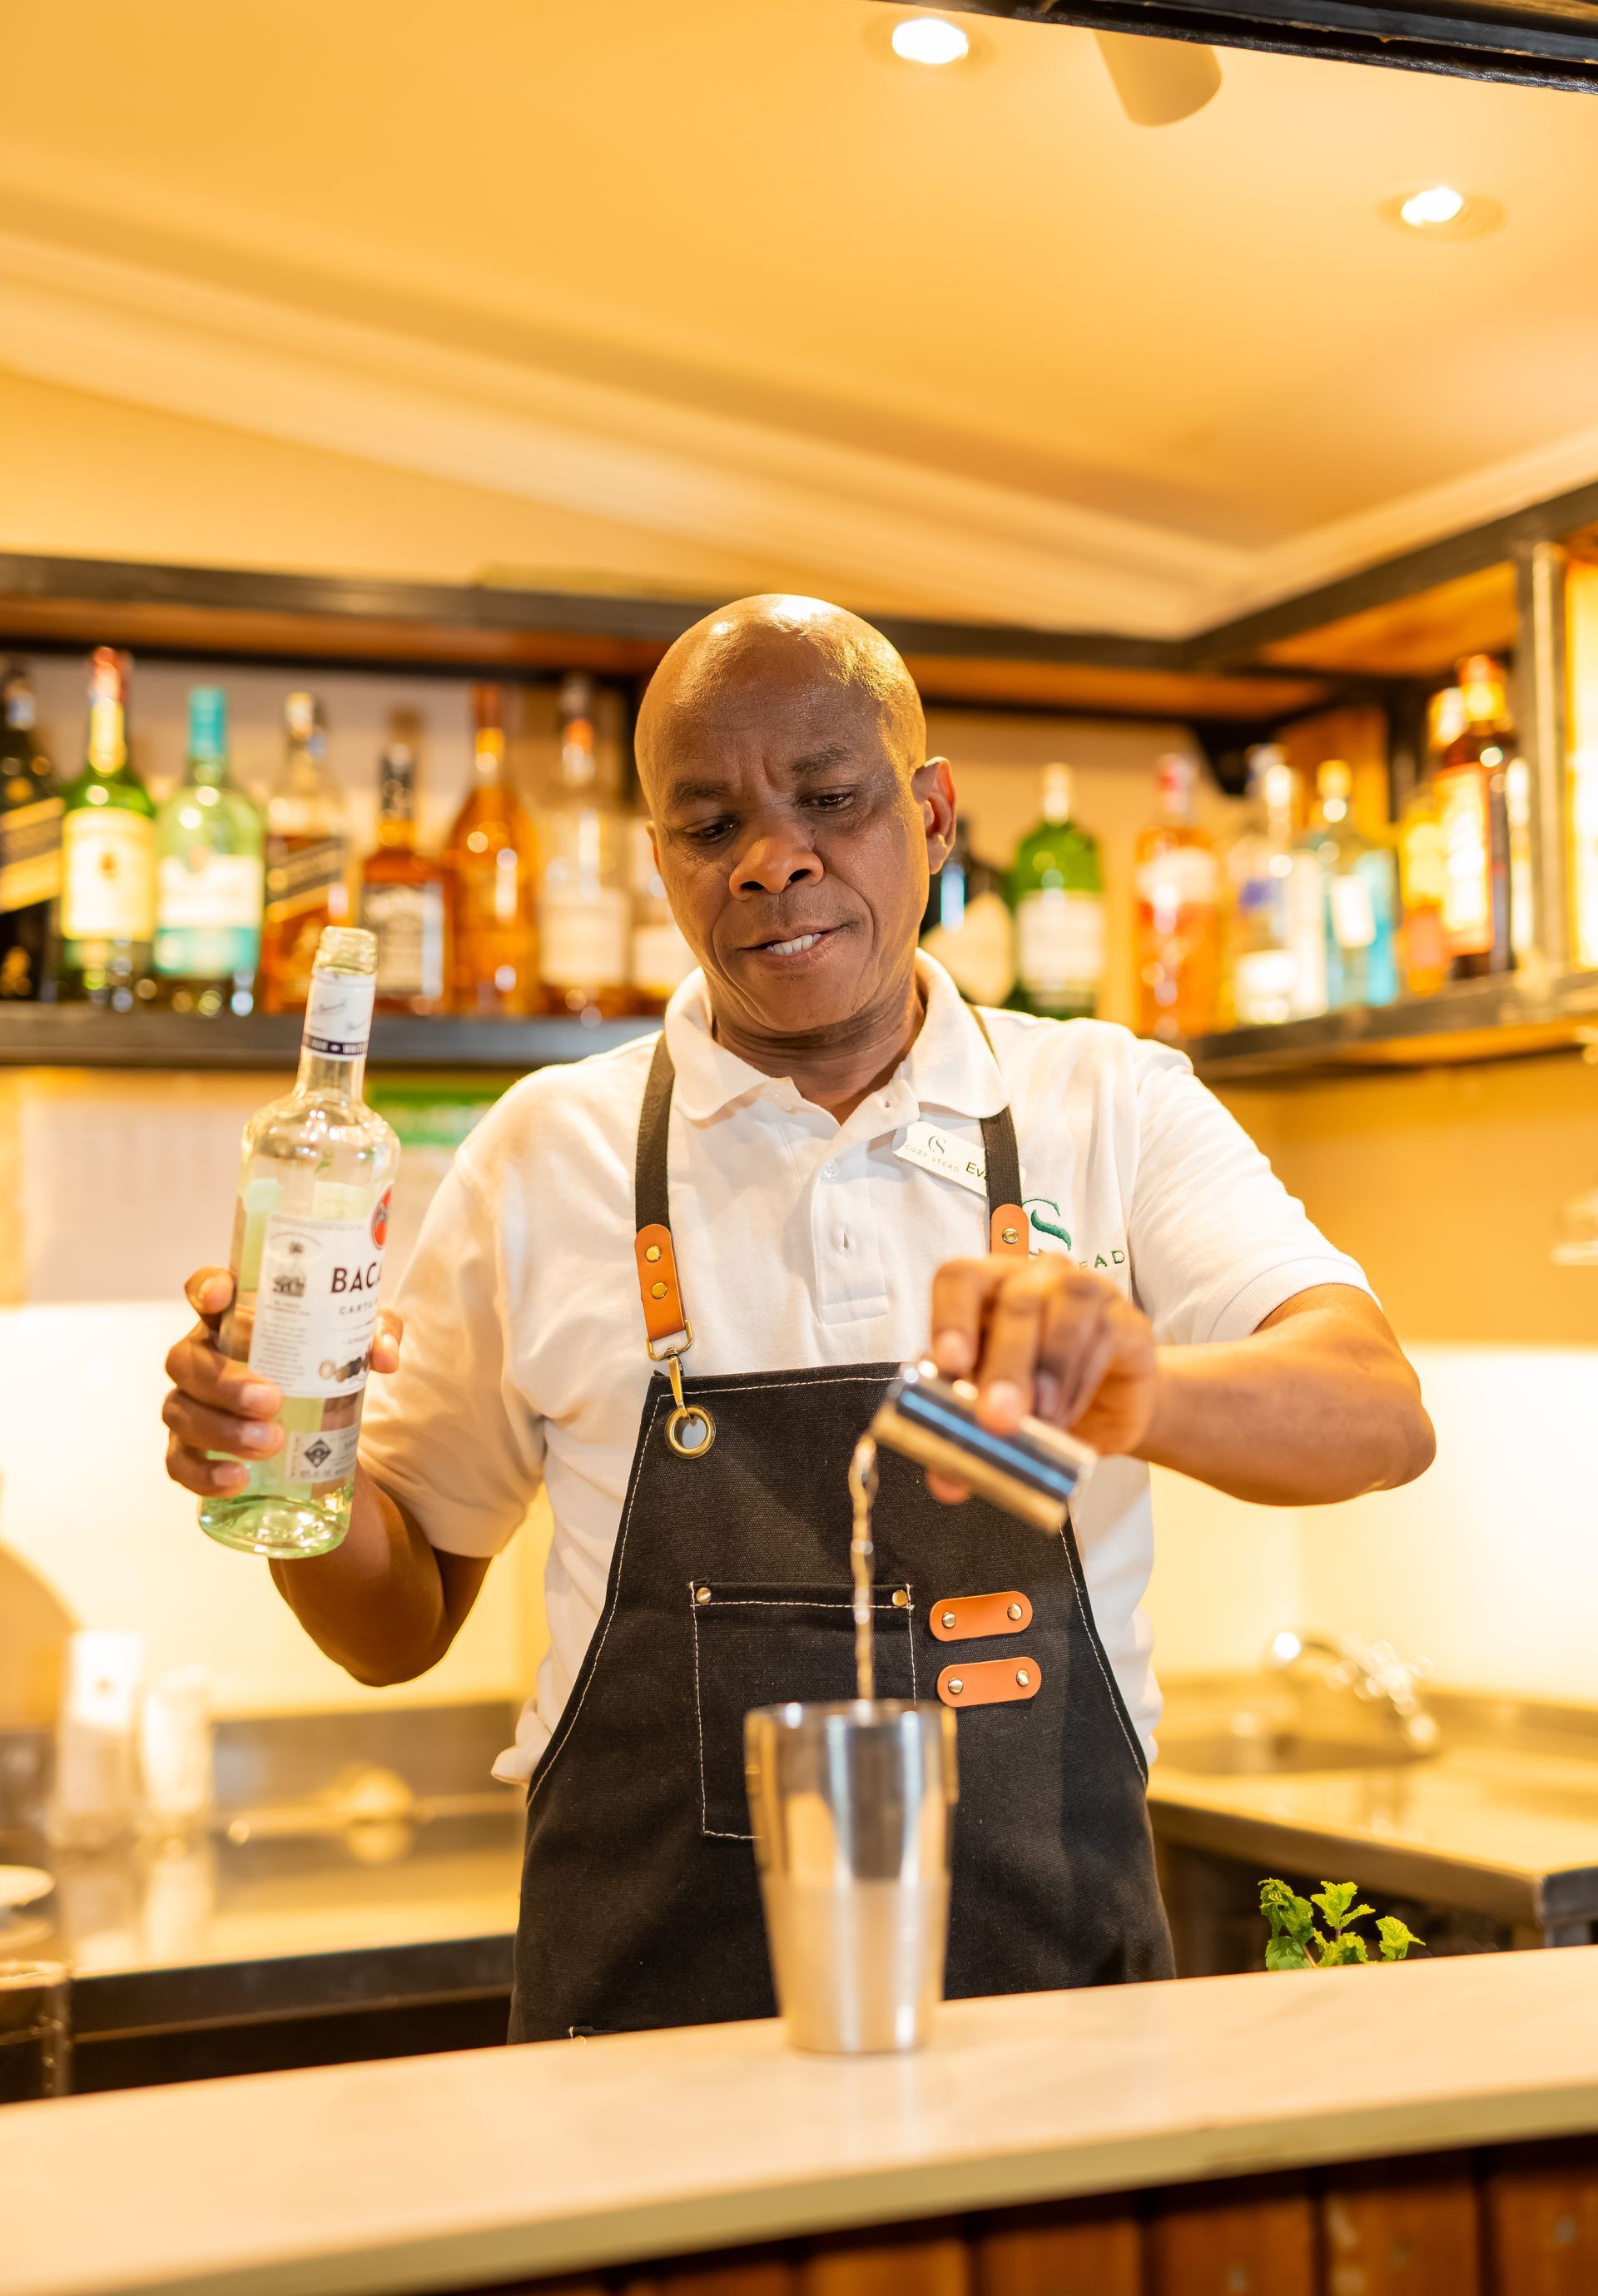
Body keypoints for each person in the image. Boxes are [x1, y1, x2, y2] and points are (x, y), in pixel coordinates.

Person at [162, 594, 1434, 2040]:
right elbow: (392, 1634)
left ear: (934, 816)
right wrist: (288, 1465)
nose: (775, 860)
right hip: (638, 2071)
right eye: (711, 829)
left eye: (830, 798)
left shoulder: (1108, 1104)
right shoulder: (548, 1150)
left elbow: (1379, 1413)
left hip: (1058, 2049)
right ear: (659, 862)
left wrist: (1139, 1392)